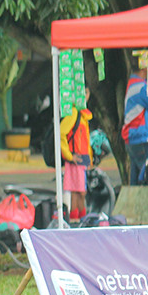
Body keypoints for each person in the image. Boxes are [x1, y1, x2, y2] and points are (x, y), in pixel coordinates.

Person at [122, 65, 148, 185]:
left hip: (133, 138)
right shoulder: (141, 87)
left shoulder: (133, 84)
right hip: (143, 138)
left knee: (136, 181)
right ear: (144, 68)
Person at [59, 93, 93, 223]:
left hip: (82, 159)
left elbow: (86, 139)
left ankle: (79, 220)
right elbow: (62, 133)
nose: (85, 96)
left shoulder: (83, 115)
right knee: (78, 192)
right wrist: (69, 155)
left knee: (79, 192)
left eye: (87, 93)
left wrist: (89, 158)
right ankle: (77, 220)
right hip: (75, 159)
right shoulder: (74, 113)